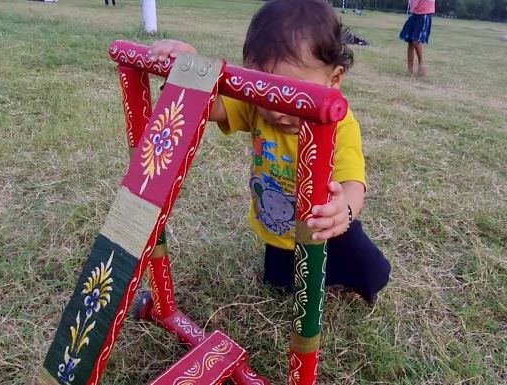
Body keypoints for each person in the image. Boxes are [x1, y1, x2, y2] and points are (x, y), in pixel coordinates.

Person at [149, 0, 391, 304]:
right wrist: (191, 68)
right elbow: (212, 106)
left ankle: (360, 273)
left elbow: (353, 181)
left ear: (334, 80)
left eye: (293, 93)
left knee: (369, 274)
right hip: (278, 228)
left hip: (327, 227)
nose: (276, 109)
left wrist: (345, 210)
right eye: (265, 90)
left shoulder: (339, 123)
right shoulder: (256, 106)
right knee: (280, 286)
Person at [399, 0, 436, 77]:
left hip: (424, 13)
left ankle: (421, 65)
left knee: (416, 41)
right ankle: (410, 70)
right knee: (410, 42)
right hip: (414, 13)